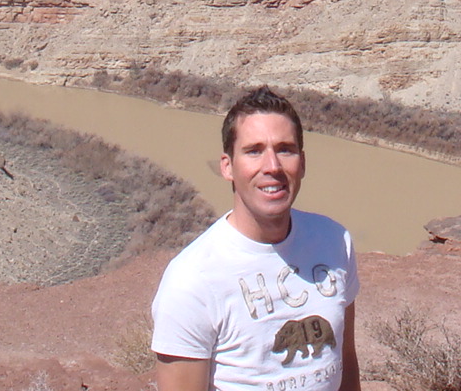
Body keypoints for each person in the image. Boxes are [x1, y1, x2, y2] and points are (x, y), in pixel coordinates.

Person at [151, 87, 361, 391]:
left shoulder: (335, 241)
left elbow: (345, 360)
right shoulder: (191, 280)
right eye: (254, 151)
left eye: (285, 149)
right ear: (228, 166)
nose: (272, 167)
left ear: (302, 163)